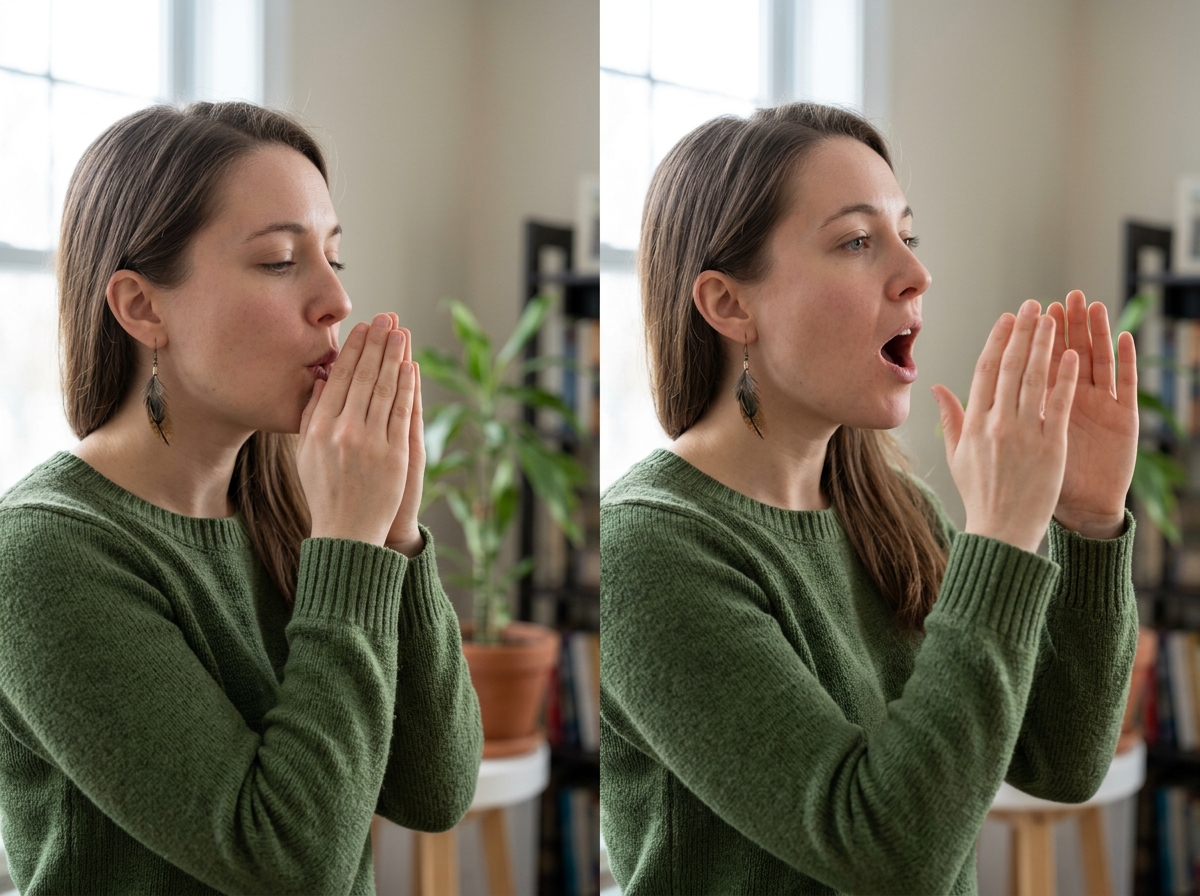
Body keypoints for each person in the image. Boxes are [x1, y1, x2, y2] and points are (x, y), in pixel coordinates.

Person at [600, 102, 1140, 895]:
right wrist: (999, 535)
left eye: (907, 237)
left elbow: (1061, 759)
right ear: (728, 305)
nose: (917, 274)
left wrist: (1087, 518)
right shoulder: (647, 549)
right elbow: (888, 854)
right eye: (857, 241)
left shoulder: (893, 510)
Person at [0, 102, 483, 894]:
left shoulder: (293, 509)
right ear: (142, 307)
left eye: (334, 256)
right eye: (280, 261)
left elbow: (434, 792)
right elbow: (290, 866)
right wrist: (350, 549)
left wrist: (395, 534)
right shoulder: (42, 555)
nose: (336, 300)